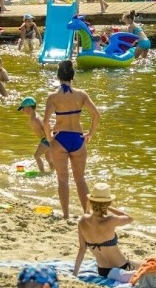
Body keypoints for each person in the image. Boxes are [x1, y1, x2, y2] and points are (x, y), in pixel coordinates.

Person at [43, 60, 101, 219]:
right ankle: (87, 214)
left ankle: (66, 215)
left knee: (62, 180)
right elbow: (96, 115)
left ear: (58, 76)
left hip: (60, 138)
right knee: (80, 179)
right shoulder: (81, 95)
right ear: (72, 76)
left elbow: (46, 121)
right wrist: (90, 134)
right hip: (78, 138)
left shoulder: (53, 96)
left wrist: (49, 138)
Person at [73, 182, 136, 278]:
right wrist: (109, 207)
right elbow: (129, 218)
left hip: (102, 271)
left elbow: (82, 250)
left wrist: (75, 274)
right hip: (122, 268)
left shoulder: (82, 221)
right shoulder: (111, 220)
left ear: (91, 201)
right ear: (108, 202)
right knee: (150, 262)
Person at [18, 97, 54, 174]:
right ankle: (54, 171)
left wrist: (49, 141)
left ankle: (42, 173)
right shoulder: (35, 116)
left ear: (29, 108)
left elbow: (46, 129)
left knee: (36, 156)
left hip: (47, 139)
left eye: (23, 109)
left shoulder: (34, 119)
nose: (22, 111)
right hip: (47, 139)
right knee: (48, 158)